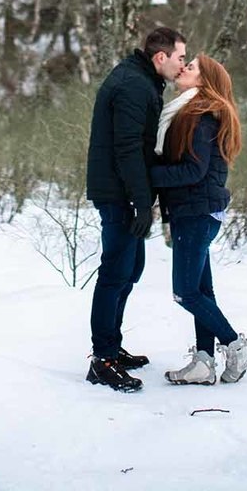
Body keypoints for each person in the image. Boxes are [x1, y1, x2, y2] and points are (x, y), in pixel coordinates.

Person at [85, 26, 187, 392]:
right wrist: (141, 201)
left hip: (124, 191)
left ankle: (112, 347)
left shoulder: (143, 79)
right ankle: (103, 360)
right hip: (118, 193)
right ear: (160, 57)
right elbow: (128, 148)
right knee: (115, 272)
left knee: (131, 269)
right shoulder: (133, 84)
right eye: (179, 58)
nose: (183, 65)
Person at [151, 53, 247, 386]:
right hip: (195, 211)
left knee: (185, 292)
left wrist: (148, 175)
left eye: (191, 67)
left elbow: (193, 170)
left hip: (196, 211)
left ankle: (236, 345)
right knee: (201, 290)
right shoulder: (193, 112)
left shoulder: (203, 117)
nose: (184, 68)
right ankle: (204, 362)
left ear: (204, 81)